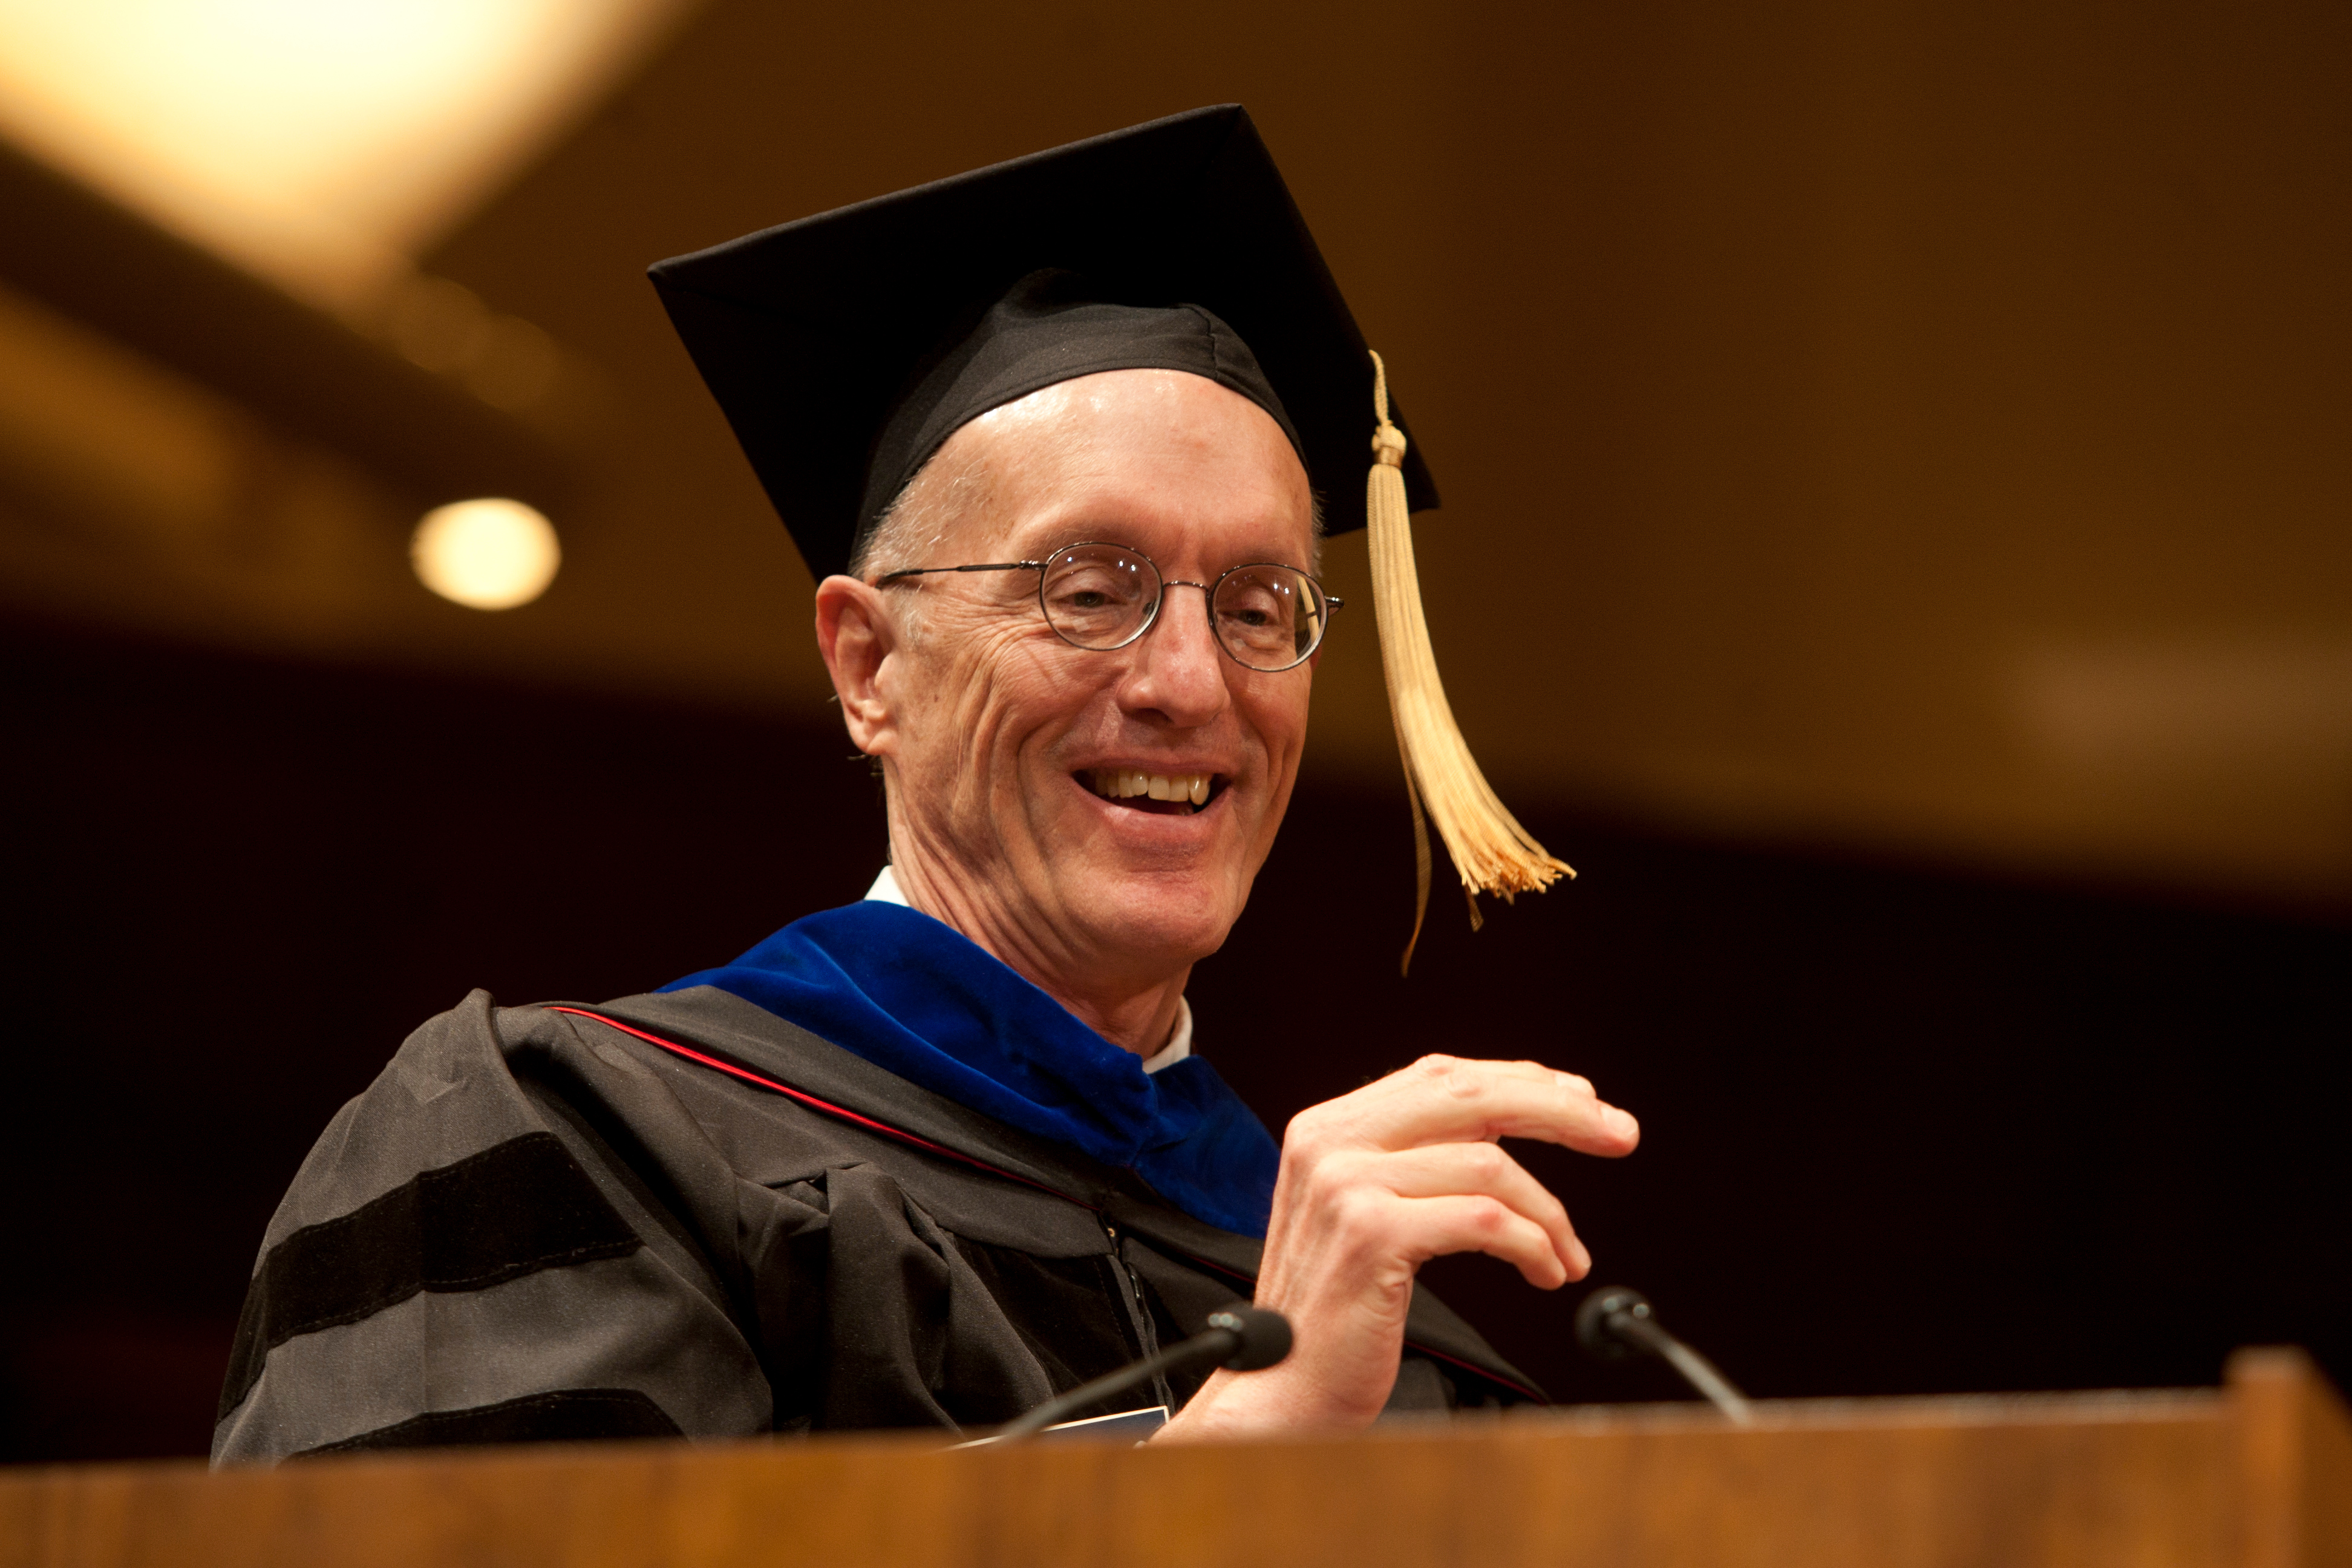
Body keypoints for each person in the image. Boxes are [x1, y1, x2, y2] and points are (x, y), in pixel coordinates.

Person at [212, 106, 1638, 1463]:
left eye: (1261, 607)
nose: (1193, 684)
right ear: (869, 664)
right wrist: (1222, 1471)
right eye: (1089, 590)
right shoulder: (575, 1152)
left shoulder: (1379, 1315)